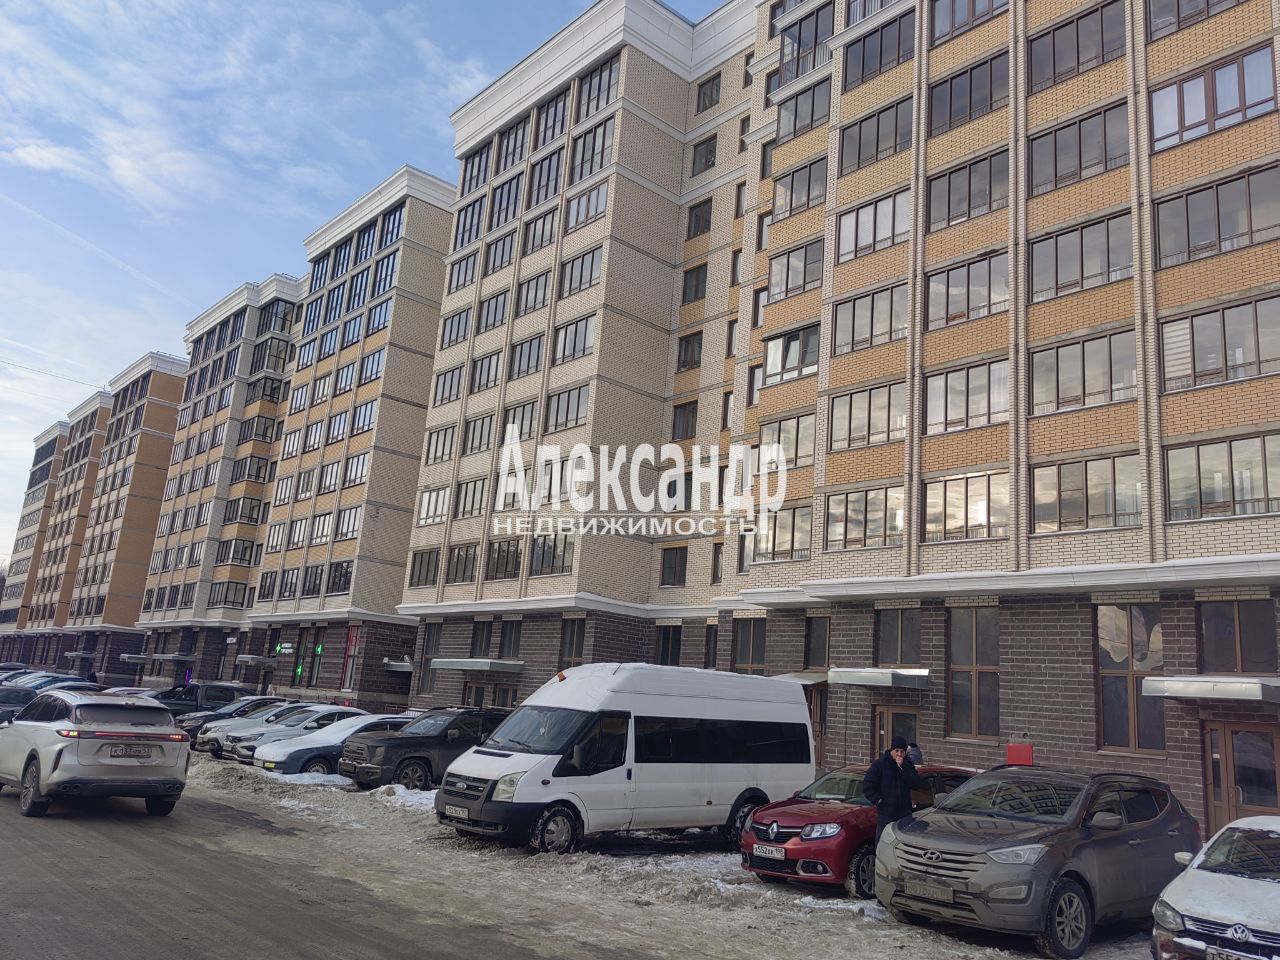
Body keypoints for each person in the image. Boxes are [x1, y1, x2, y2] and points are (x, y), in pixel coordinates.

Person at [863, 735, 927, 842]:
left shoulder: (908, 765)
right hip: (886, 816)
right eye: (897, 751)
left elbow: (916, 784)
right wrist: (879, 801)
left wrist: (902, 768)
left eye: (902, 751)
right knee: (883, 843)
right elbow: (868, 786)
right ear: (891, 751)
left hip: (904, 815)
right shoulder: (880, 765)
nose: (899, 754)